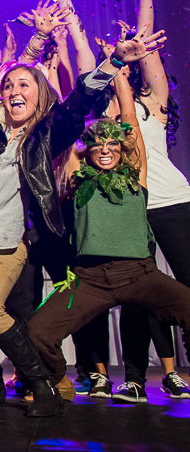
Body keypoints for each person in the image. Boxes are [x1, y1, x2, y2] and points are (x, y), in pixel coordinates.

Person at [0, 0, 162, 417]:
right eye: (9, 86)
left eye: (25, 85)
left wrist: (116, 61)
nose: (13, 91)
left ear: (39, 98)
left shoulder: (45, 136)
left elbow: (79, 101)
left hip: (7, 242)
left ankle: (41, 383)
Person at [27, 42, 190, 398]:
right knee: (38, 332)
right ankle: (59, 381)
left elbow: (129, 121)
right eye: (97, 144)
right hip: (90, 279)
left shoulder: (136, 177)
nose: (105, 148)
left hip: (139, 274)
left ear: (122, 149)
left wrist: (119, 75)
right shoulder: (76, 177)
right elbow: (70, 130)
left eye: (113, 144)